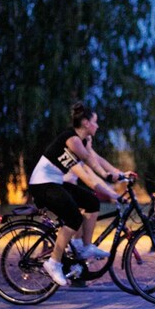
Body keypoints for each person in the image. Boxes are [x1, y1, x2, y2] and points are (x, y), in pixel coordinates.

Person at [28, 102, 134, 286]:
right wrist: (108, 176)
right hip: (42, 184)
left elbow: (97, 158)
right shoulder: (72, 139)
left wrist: (120, 174)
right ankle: (53, 263)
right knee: (73, 218)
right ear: (86, 123)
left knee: (92, 202)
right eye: (95, 122)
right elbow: (89, 160)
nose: (97, 126)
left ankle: (84, 247)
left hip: (55, 182)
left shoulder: (83, 141)